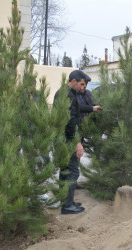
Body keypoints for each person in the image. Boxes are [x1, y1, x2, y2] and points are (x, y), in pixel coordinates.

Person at [53, 70, 89, 214]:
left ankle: (65, 200)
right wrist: (77, 143)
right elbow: (70, 121)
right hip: (67, 140)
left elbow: (78, 110)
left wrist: (92, 108)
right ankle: (67, 206)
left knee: (65, 170)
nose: (83, 87)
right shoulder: (67, 95)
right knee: (73, 171)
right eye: (81, 84)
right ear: (73, 81)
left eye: (84, 85)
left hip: (62, 139)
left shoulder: (66, 93)